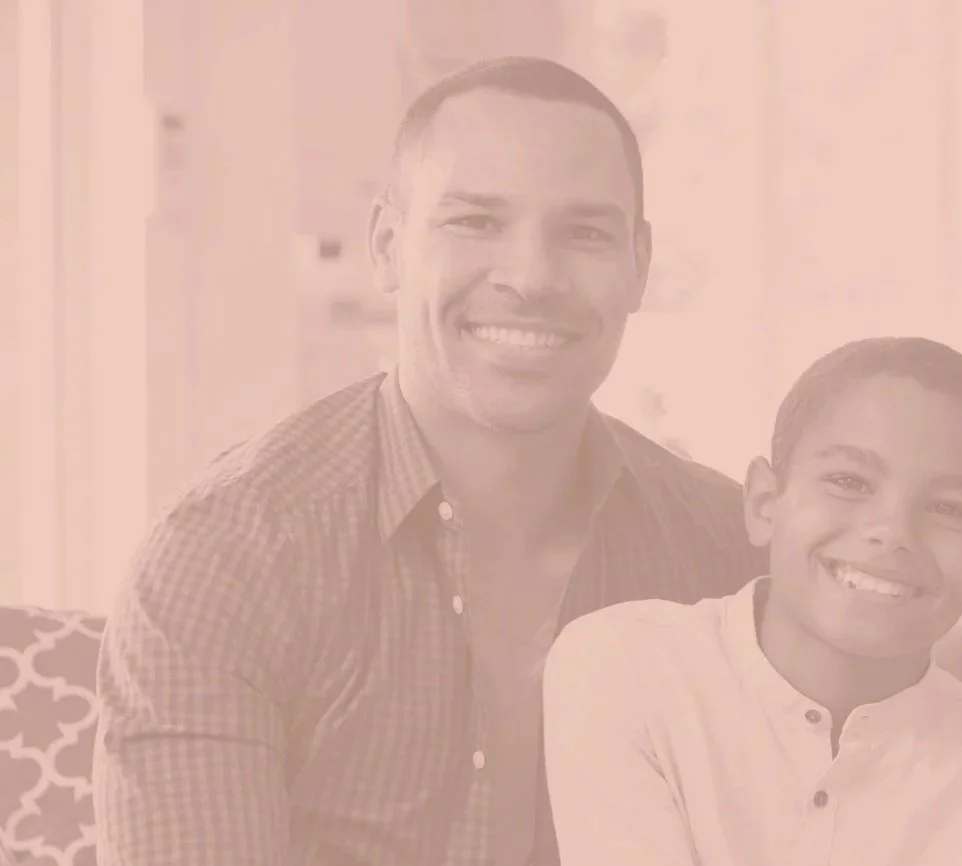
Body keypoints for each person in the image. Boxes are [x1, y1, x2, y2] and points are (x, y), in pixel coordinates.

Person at [93, 57, 762, 866]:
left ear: (638, 265)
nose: (531, 278)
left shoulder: (733, 559)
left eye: (584, 232)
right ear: (387, 247)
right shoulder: (226, 560)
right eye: (475, 221)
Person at [542, 336, 962, 866]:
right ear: (764, 503)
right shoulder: (627, 667)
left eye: (947, 508)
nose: (893, 531)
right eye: (849, 481)